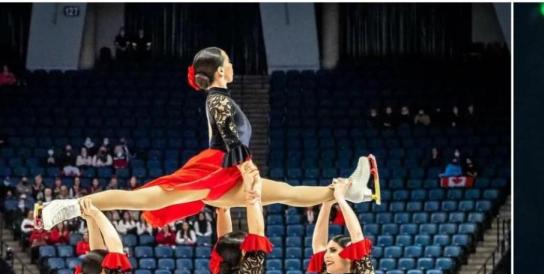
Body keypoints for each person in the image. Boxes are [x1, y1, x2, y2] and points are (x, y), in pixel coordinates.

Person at [38, 47, 376, 231]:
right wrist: (245, 167)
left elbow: (232, 133)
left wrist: (244, 166)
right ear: (219, 72)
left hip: (228, 171)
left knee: (286, 193)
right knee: (140, 199)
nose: (231, 65)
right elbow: (228, 132)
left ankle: (350, 191)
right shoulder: (217, 98)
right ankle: (68, 206)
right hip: (216, 169)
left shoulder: (219, 97)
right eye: (228, 62)